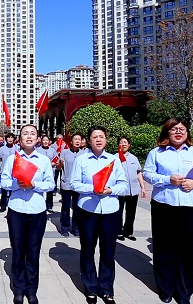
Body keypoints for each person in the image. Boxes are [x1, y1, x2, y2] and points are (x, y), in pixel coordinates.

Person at [143, 117, 193, 304]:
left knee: (186, 250)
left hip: (190, 207)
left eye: (182, 129)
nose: (178, 132)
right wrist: (168, 179)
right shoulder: (156, 153)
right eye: (174, 129)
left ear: (187, 132)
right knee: (163, 248)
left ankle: (184, 292)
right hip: (163, 205)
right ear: (167, 132)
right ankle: (165, 288)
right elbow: (147, 174)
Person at [70, 126, 128, 304]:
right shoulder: (81, 160)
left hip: (110, 210)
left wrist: (110, 190)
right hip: (88, 210)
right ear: (89, 140)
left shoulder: (114, 160)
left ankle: (106, 289)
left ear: (106, 140)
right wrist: (92, 189)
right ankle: (90, 288)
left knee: (108, 251)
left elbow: (123, 185)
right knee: (87, 249)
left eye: (101, 136)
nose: (98, 139)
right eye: (95, 136)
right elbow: (74, 184)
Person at [1, 125, 55, 304]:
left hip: (37, 210)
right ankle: (18, 289)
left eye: (33, 134)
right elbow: (4, 182)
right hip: (16, 210)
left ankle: (31, 289)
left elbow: (50, 185)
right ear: (20, 139)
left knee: (33, 251)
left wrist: (34, 185)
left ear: (38, 138)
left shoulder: (44, 160)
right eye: (25, 134)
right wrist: (18, 184)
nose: (29, 136)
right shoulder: (12, 159)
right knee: (18, 251)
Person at [116, 136, 146, 241]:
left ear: (129, 145)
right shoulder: (115, 158)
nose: (123, 144)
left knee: (131, 212)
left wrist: (143, 187)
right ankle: (118, 231)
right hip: (119, 190)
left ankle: (128, 232)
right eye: (121, 142)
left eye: (125, 142)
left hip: (133, 190)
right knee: (118, 212)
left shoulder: (134, 158)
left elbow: (138, 173)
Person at [56, 133, 85, 237]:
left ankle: (76, 228)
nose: (77, 141)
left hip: (78, 185)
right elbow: (59, 168)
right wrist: (59, 163)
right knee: (66, 207)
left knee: (77, 208)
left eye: (79, 139)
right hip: (67, 184)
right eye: (75, 139)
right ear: (71, 141)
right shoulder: (64, 152)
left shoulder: (84, 154)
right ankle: (64, 228)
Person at [35, 135, 57, 213]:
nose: (45, 142)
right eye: (44, 140)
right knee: (39, 188)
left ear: (49, 141)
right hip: (40, 172)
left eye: (47, 140)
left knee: (49, 189)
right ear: (41, 141)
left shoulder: (53, 150)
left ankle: (49, 205)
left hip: (50, 172)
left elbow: (56, 159)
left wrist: (54, 163)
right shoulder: (37, 150)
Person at [0, 133, 18, 212]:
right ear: (6, 139)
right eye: (8, 138)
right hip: (4, 171)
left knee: (13, 190)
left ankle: (12, 206)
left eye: (11, 138)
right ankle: (3, 205)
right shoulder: (2, 149)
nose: (10, 139)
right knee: (4, 189)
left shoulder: (17, 149)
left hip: (14, 172)